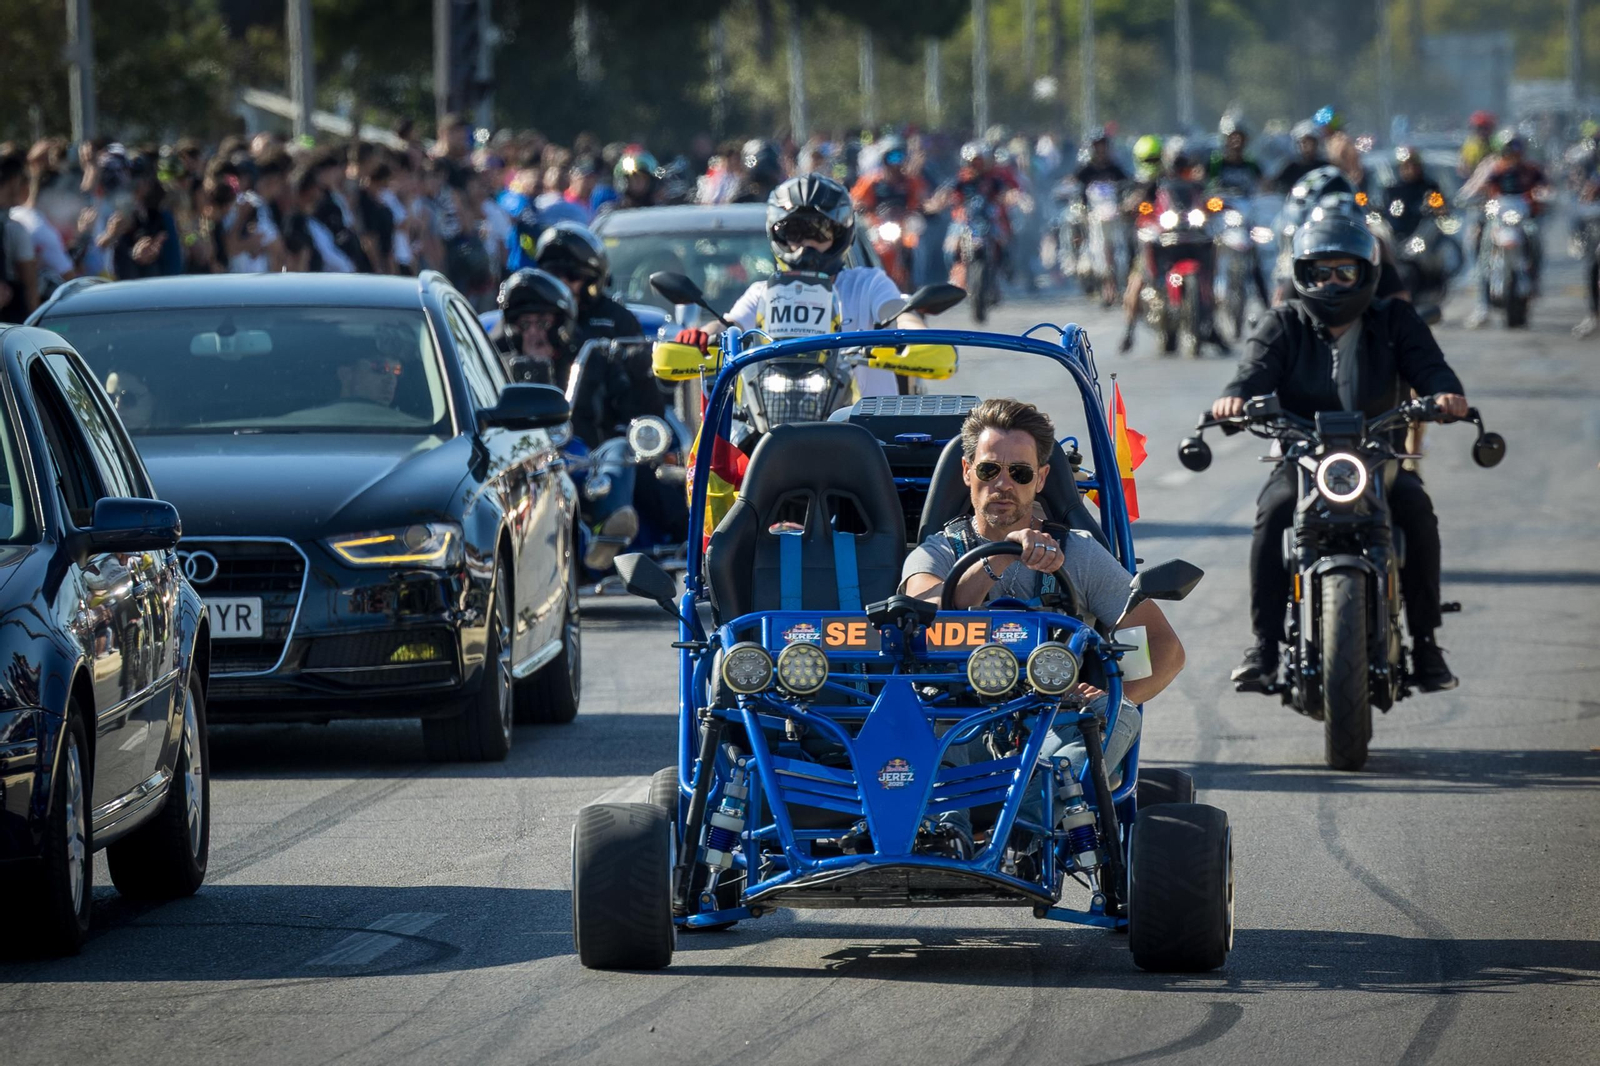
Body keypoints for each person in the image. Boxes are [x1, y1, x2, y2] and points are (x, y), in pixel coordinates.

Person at [899, 398, 1185, 857]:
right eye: (991, 470)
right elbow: (923, 608)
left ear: (1043, 479)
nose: (1004, 484)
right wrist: (997, 556)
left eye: (1021, 473)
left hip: (1050, 724)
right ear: (968, 472)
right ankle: (944, 834)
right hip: (954, 720)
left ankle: (1023, 832)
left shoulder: (1078, 554)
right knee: (907, 712)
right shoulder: (937, 551)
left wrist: (1114, 695)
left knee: (1116, 716)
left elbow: (1163, 646)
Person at [1210, 213, 1467, 693]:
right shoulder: (1284, 322)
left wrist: (1446, 395)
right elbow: (1252, 372)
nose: (1331, 282)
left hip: (1378, 456)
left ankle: (1427, 643)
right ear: (1301, 275)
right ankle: (1264, 647)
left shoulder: (1394, 320)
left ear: (1366, 274)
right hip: (1303, 458)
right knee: (1274, 512)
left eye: (1343, 272)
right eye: (1319, 272)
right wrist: (1236, 400)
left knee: (1417, 509)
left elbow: (1431, 368)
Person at [673, 173, 915, 400]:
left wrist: (915, 335)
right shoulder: (763, 292)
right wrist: (701, 335)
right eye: (794, 232)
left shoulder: (869, 283)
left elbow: (899, 314)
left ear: (840, 236)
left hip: (868, 431)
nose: (806, 245)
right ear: (778, 236)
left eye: (819, 233)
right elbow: (730, 325)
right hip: (774, 423)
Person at [1459, 130, 1550, 327]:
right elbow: (1476, 187)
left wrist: (1544, 196)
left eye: (1515, 152)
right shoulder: (1493, 169)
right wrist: (1468, 197)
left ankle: (1536, 279)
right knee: (1483, 249)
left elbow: (1545, 187)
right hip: (1497, 220)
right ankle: (1482, 306)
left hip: (1523, 219)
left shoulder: (1531, 169)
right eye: (1508, 152)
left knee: (1535, 237)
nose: (1512, 157)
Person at [489, 266, 578, 386]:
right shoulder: (498, 371)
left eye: (543, 324)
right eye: (524, 324)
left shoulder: (580, 369)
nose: (533, 332)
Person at [0, 149, 38, 323]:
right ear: (14, 181)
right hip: (10, 320)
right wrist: (35, 326)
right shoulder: (14, 228)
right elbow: (30, 283)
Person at [1380, 146, 1444, 239]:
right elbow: (1386, 213)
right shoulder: (1392, 190)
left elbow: (1440, 211)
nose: (1409, 170)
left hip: (1423, 235)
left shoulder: (1430, 188)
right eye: (1405, 166)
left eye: (1413, 165)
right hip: (1397, 235)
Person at [1208, 117, 1264, 198]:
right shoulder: (1216, 163)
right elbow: (1205, 181)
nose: (1236, 141)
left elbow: (1263, 183)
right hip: (1223, 202)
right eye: (1233, 137)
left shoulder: (1251, 165)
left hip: (1246, 202)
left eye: (1240, 138)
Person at [336, 351, 403, 408]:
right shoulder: (328, 419)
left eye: (397, 371)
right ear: (345, 374)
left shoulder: (404, 421)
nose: (392, 380)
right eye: (381, 368)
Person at [1275, 121, 1325, 193]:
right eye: (1303, 142)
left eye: (1310, 142)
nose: (1307, 146)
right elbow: (1280, 187)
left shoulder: (1325, 166)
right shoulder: (1291, 168)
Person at [1458, 110, 1497, 179]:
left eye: (1486, 128)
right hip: (1472, 181)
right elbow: (1462, 166)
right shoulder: (1469, 145)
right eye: (1480, 128)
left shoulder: (1496, 144)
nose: (1483, 131)